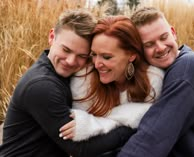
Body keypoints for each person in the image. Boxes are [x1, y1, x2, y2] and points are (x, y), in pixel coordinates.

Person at [0, 9, 136, 157]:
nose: (71, 61)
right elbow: (80, 148)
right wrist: (131, 126)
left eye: (81, 56)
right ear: (52, 37)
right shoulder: (42, 86)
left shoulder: (69, 74)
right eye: (66, 50)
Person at [116, 7, 194, 157]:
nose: (160, 48)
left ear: (173, 33)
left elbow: (153, 137)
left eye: (164, 37)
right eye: (149, 44)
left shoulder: (189, 67)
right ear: (139, 50)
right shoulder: (156, 76)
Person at [59, 15, 164, 142]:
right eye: (94, 54)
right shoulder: (84, 78)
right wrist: (134, 115)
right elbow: (78, 139)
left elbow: (153, 129)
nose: (97, 64)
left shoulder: (153, 79)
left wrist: (95, 124)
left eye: (106, 57)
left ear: (131, 55)